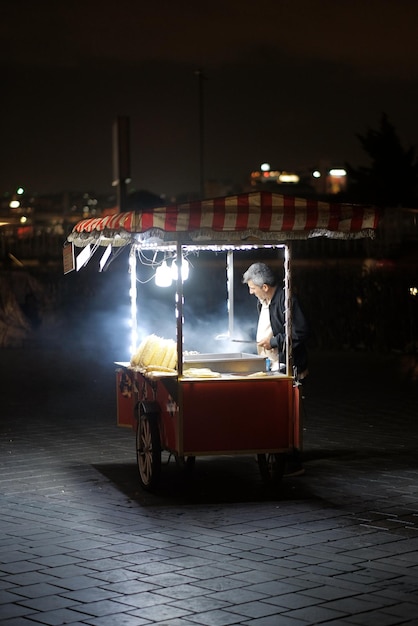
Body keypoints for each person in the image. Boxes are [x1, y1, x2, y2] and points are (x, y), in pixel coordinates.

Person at [242, 262, 309, 476]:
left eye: (252, 288)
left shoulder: (286, 300)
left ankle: (292, 461)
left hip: (289, 366)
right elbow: (272, 326)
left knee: (288, 415)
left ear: (264, 287)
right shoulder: (265, 302)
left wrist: (275, 342)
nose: (251, 292)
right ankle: (272, 451)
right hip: (271, 364)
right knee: (271, 412)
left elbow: (299, 332)